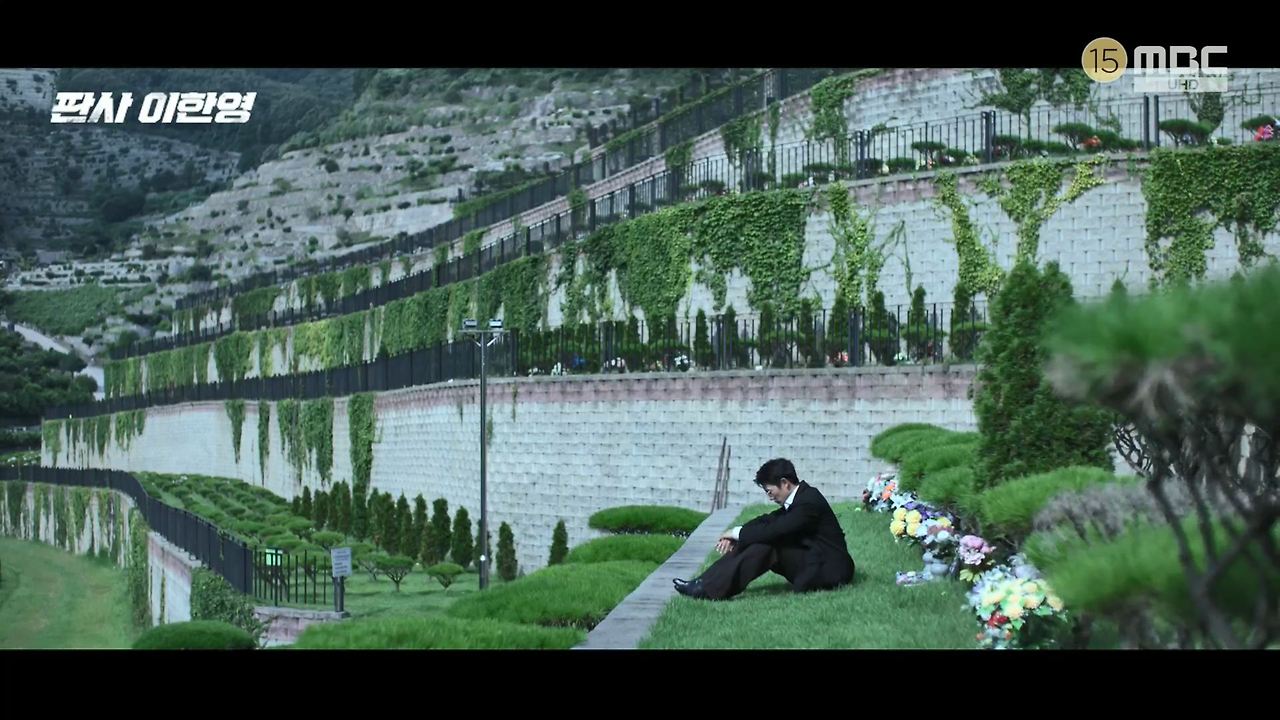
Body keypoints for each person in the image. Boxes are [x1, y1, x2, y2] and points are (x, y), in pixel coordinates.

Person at [673, 458, 855, 600]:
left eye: (769, 491)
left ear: (785, 483)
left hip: (830, 570)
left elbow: (776, 530)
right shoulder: (800, 498)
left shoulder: (808, 501)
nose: (769, 497)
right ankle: (703, 584)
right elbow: (768, 519)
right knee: (761, 539)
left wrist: (737, 534)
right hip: (814, 559)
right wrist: (737, 533)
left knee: (767, 543)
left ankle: (706, 588)